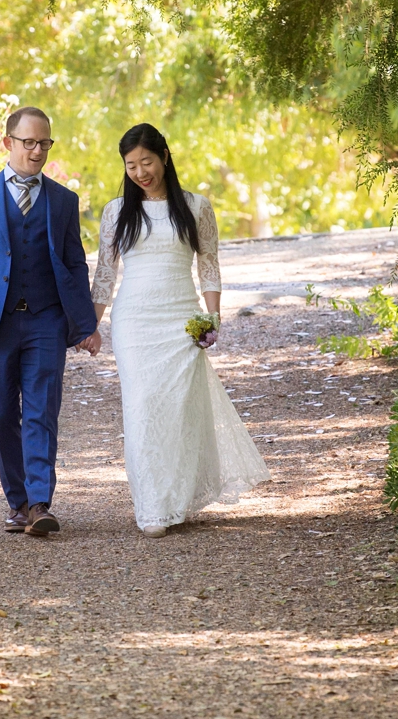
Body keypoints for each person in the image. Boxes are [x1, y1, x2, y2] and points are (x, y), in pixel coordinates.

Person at [89, 123, 269, 536]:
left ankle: (176, 499)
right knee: (142, 408)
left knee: (178, 412)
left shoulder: (196, 206)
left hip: (180, 320)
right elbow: (104, 274)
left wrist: (213, 317)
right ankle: (151, 507)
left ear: (164, 157)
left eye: (146, 162)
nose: (139, 172)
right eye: (131, 165)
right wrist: (91, 324)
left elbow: (209, 265)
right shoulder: (116, 212)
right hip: (134, 322)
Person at [0, 106, 100, 537]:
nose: (37, 151)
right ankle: (17, 500)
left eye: (45, 143)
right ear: (8, 143)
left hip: (46, 321)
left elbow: (75, 263)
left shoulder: (63, 201)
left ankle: (39, 503)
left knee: (41, 410)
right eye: (29, 142)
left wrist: (85, 323)